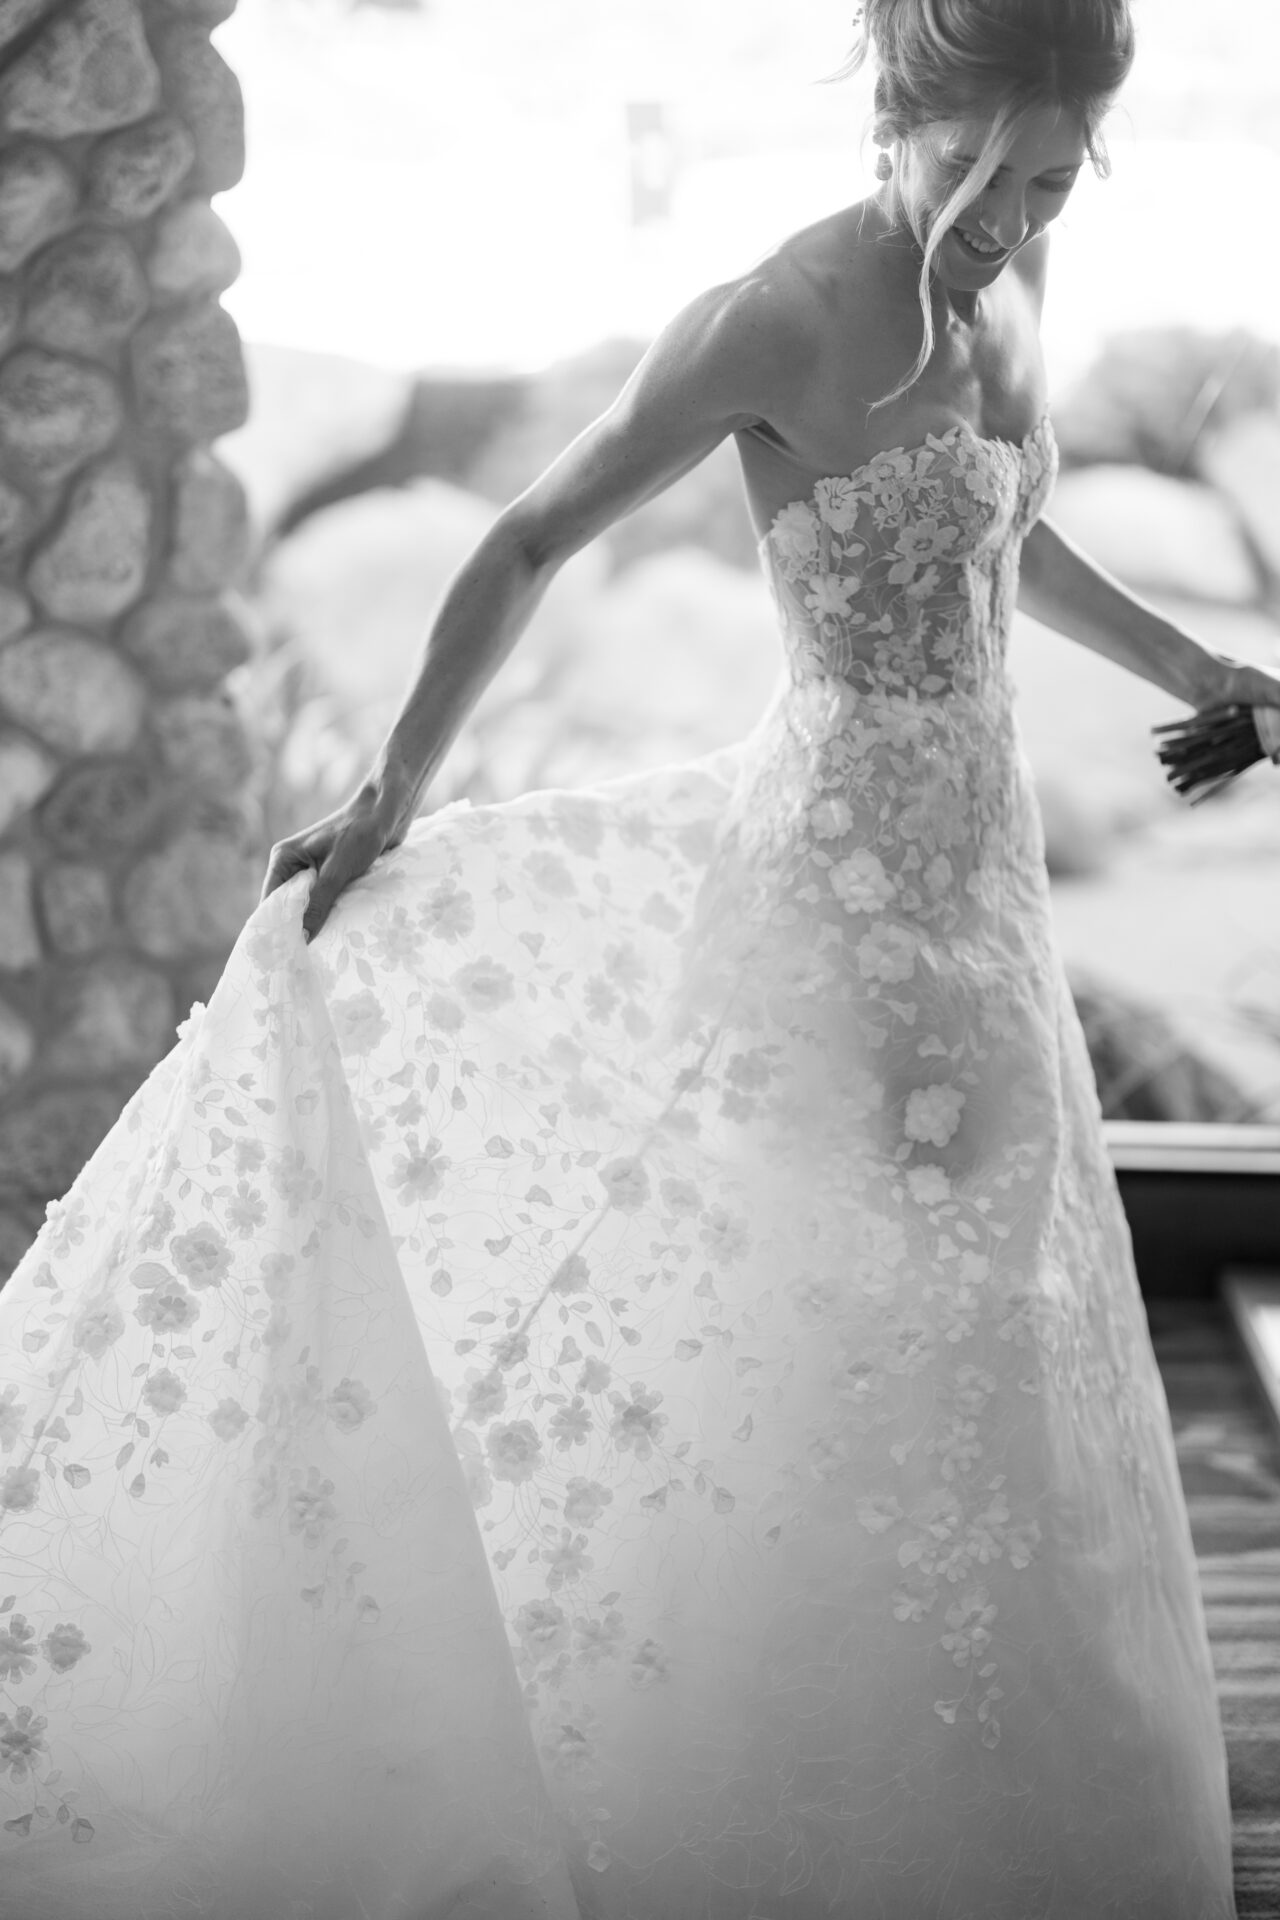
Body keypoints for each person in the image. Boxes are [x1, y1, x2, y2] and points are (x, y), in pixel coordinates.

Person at [0, 1, 1263, 1913]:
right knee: (868, 1331)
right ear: (900, 119)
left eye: (1053, 175)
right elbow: (523, 540)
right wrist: (390, 792)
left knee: (1007, 1323)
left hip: (983, 901)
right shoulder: (776, 313)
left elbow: (1010, 540)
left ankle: (994, 1800)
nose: (1010, 212)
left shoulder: (1016, 285)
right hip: (831, 910)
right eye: (980, 170)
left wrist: (1210, 672)